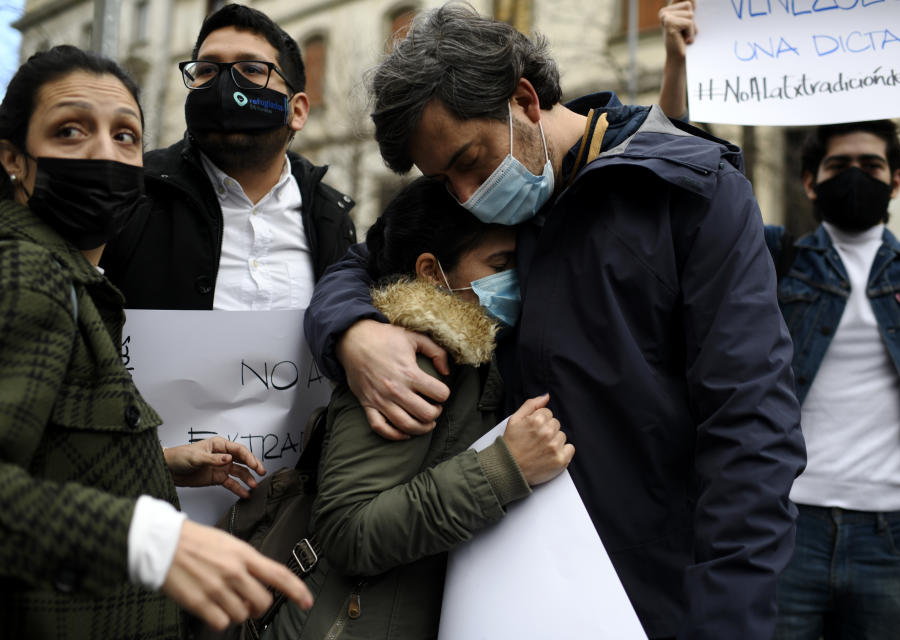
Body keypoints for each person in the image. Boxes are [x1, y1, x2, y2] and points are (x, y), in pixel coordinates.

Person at [303, 3, 806, 638]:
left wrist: (730, 617)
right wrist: (352, 331)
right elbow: (355, 265)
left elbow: (751, 427)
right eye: (443, 179)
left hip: (651, 593)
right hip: (507, 587)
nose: (463, 195)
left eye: (468, 161)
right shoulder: (489, 188)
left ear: (524, 100)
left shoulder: (692, 190)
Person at [0, 45, 313, 639]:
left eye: (125, 136)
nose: (104, 153)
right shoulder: (27, 274)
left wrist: (154, 467)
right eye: (70, 131)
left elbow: (48, 453)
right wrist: (154, 541)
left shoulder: (76, 281)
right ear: (14, 157)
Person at [264, 177, 573, 639]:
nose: (516, 278)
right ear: (431, 271)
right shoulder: (408, 364)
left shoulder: (476, 347)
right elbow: (349, 530)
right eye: (499, 263)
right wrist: (503, 468)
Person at [763, 120, 900, 640]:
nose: (856, 176)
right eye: (838, 165)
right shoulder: (778, 261)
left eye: (871, 166)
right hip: (788, 524)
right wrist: (676, 69)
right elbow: (688, 201)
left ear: (896, 181)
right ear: (811, 181)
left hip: (890, 534)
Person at [100, 3, 356, 310]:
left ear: (297, 111)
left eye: (251, 70)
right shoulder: (131, 195)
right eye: (207, 70)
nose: (225, 86)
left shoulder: (331, 217)